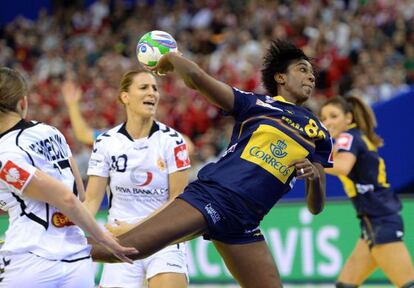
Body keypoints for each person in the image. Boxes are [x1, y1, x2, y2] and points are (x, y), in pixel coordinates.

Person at [90, 39, 334, 288]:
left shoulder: (320, 133)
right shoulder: (256, 104)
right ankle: (57, 248)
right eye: (303, 69)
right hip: (214, 196)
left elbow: (316, 207)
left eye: (312, 73)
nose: (311, 77)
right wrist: (172, 57)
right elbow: (197, 77)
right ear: (280, 77)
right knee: (129, 249)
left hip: (246, 221)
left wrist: (315, 177)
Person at [0, 67, 137, 287]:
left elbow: (65, 198)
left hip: (30, 260)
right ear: (23, 103)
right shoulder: (51, 132)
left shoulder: (5, 153)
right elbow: (79, 195)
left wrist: (104, 239)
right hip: (77, 261)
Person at [84, 69, 191, 288]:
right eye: (144, 88)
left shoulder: (173, 141)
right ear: (125, 97)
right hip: (119, 240)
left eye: (155, 88)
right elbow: (92, 201)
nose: (152, 93)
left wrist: (137, 229)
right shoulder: (106, 142)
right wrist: (62, 231)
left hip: (165, 238)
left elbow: (178, 200)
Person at [320, 96, 414, 288]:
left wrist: (309, 160)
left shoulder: (349, 137)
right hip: (373, 223)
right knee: (345, 285)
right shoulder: (356, 138)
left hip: (380, 220)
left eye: (333, 116)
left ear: (348, 118)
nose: (327, 122)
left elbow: (342, 167)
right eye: (324, 117)